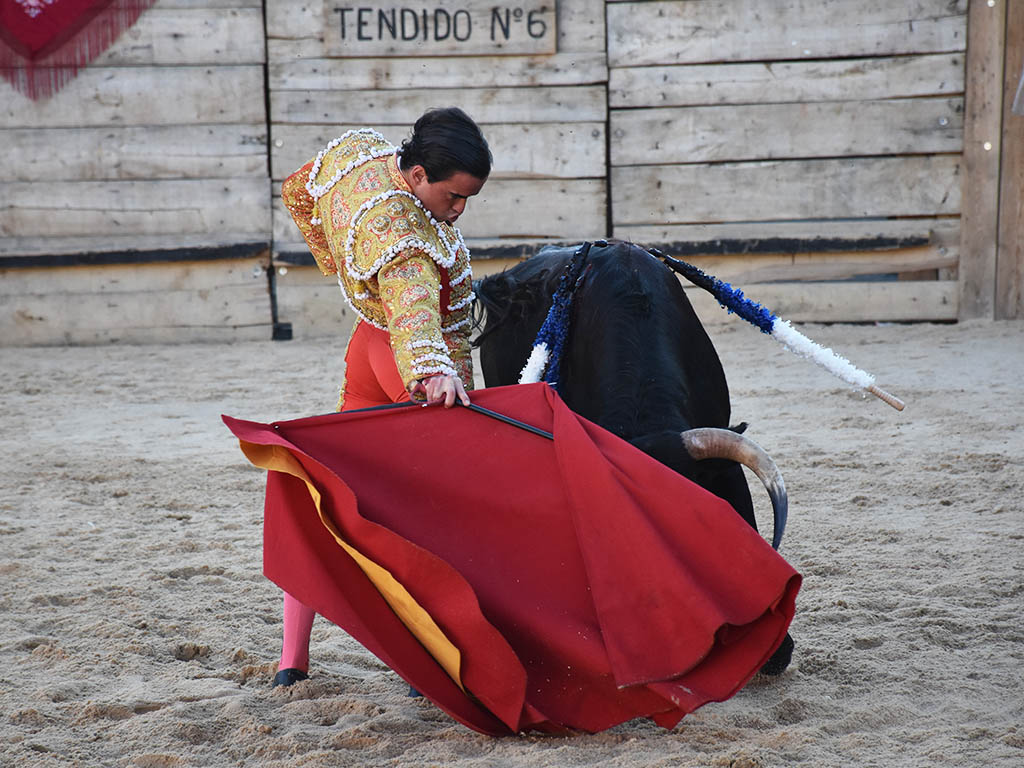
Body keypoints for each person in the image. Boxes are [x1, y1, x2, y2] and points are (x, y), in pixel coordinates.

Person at [273, 107, 492, 687]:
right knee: (449, 508)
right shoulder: (405, 239)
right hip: (404, 356)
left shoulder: (359, 155)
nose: (459, 209)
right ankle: (450, 654)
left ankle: (292, 660)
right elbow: (414, 303)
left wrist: (343, 265)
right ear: (418, 175)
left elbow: (298, 191)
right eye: (453, 195)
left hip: (365, 347)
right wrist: (433, 372)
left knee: (334, 501)